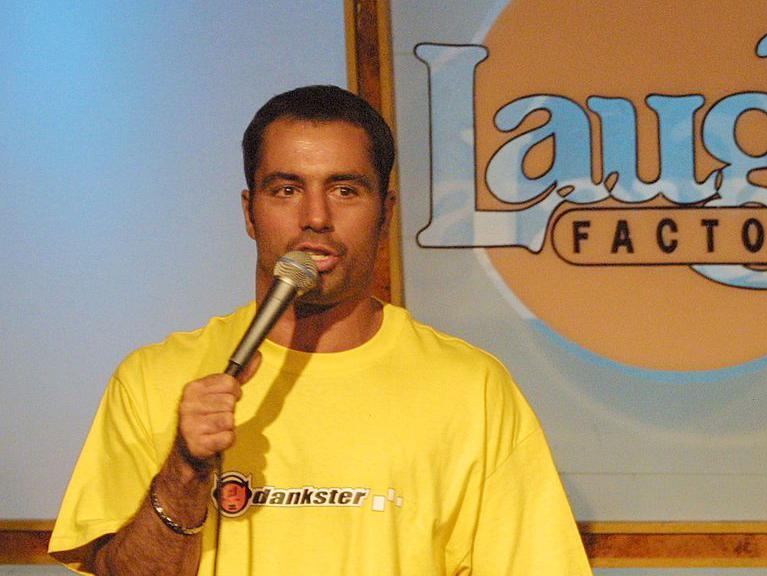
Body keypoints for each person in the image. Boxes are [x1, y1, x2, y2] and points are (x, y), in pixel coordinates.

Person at [49, 85, 592, 575]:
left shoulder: (472, 390)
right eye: (285, 190)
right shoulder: (155, 378)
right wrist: (185, 471)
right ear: (249, 212)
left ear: (386, 214)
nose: (315, 217)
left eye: (345, 190)